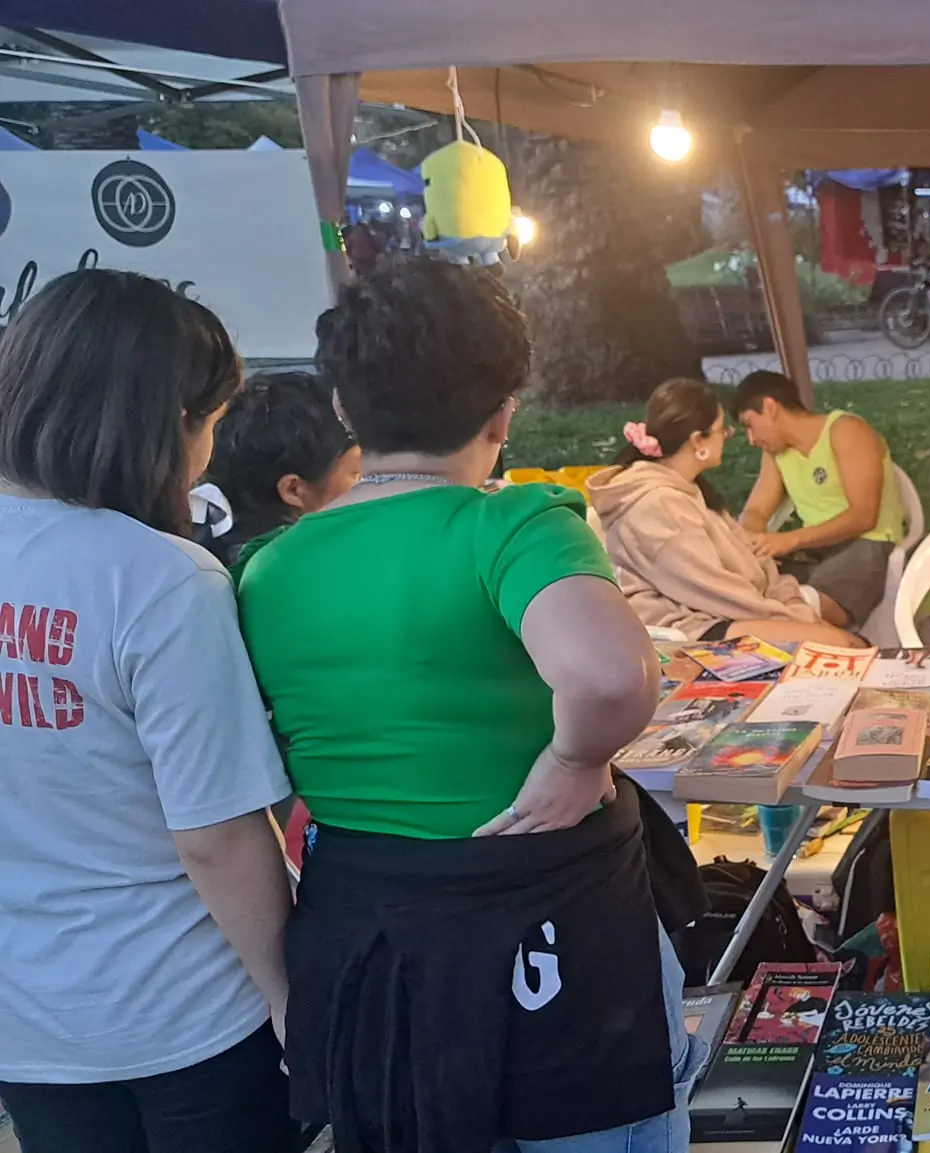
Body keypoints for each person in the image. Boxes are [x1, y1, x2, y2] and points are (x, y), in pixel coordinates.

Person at [235, 259, 704, 1152]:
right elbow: (611, 676)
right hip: (556, 941)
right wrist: (574, 760)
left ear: (344, 408)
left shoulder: (268, 567)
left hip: (370, 940)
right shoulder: (514, 524)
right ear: (504, 411)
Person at [0, 270, 298, 1152]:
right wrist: (291, 997)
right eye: (208, 422)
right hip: (186, 1012)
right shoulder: (161, 579)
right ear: (165, 423)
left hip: (28, 1017)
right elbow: (215, 833)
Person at [587, 377, 865, 649]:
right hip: (694, 627)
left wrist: (791, 603)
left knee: (844, 642)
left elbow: (755, 561)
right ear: (698, 441)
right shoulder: (658, 506)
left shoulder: (690, 490)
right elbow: (714, 592)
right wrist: (796, 619)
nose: (730, 436)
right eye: (723, 429)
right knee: (844, 645)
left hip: (727, 611)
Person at [734, 370, 906, 628]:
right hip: (816, 550)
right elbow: (757, 509)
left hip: (868, 543)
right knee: (743, 587)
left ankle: (836, 643)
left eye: (749, 424)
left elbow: (863, 516)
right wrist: (749, 540)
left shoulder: (846, 430)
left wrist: (789, 540)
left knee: (800, 608)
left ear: (770, 407)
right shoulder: (776, 454)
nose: (751, 439)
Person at [199, 371, 361, 569]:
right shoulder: (306, 572)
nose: (373, 482)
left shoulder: (208, 548)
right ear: (293, 490)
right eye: (357, 473)